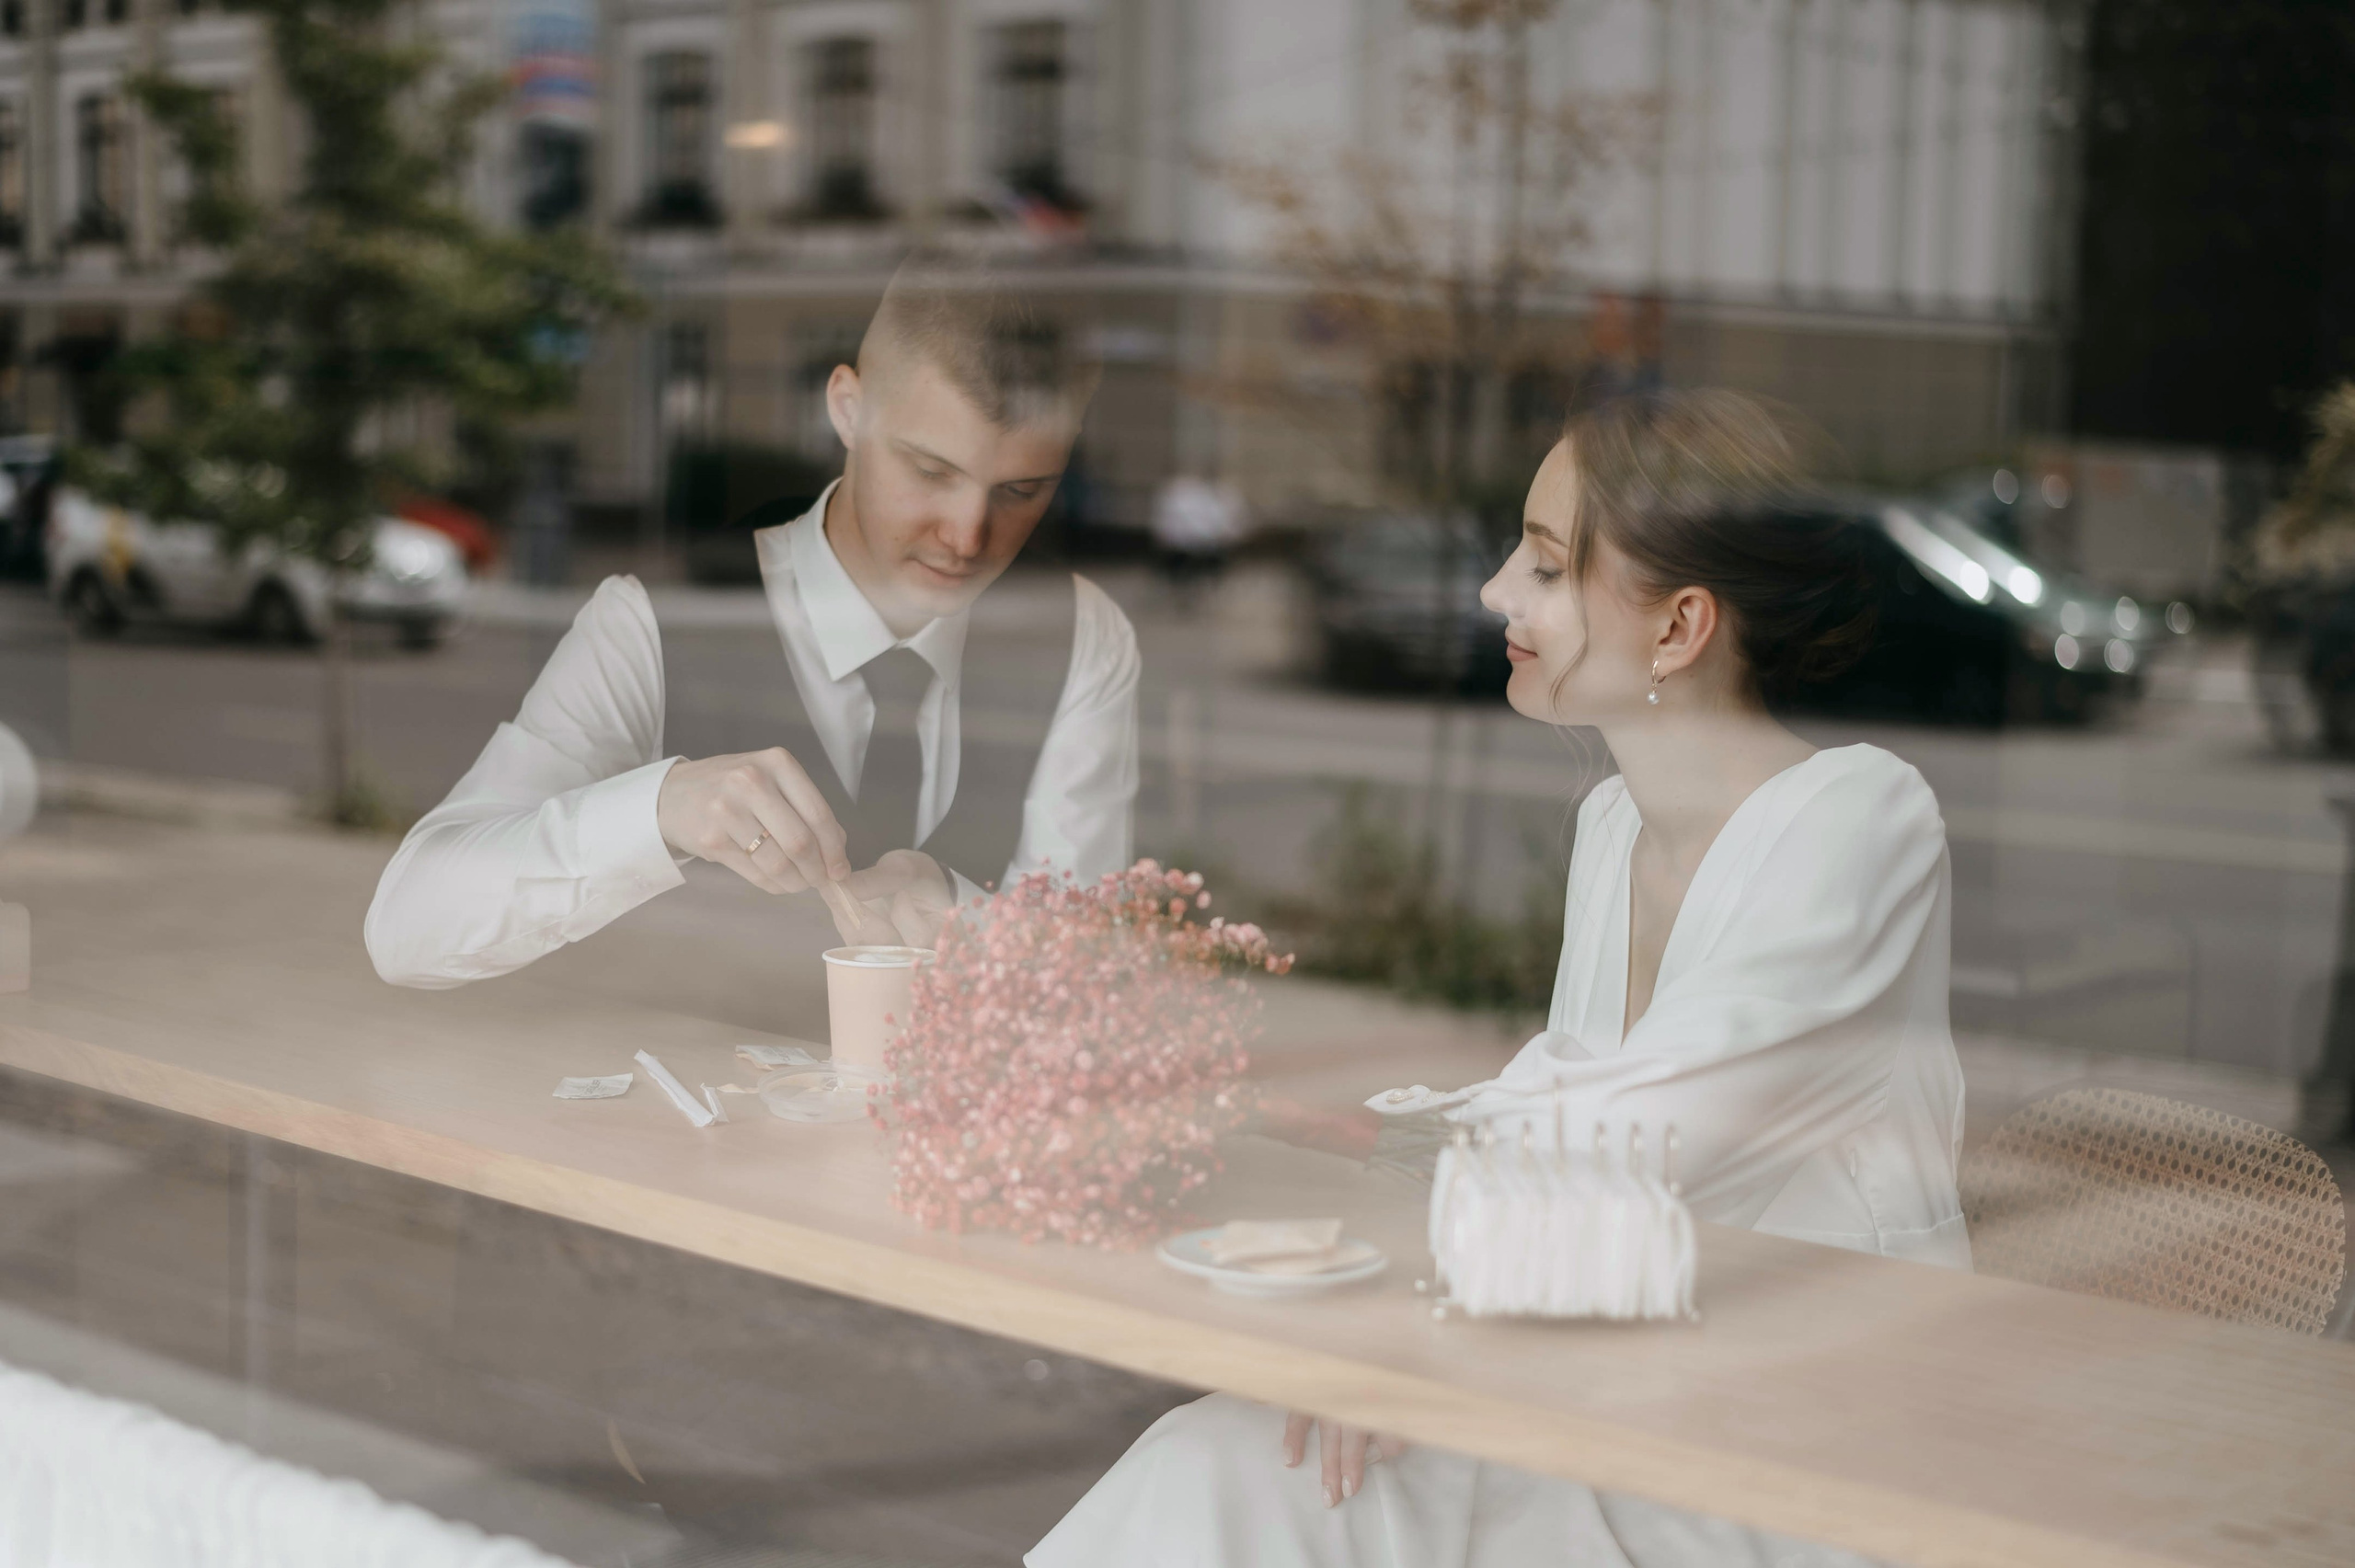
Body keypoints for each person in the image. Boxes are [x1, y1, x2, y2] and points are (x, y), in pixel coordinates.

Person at [1028, 389, 1969, 1567]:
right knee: (1219, 1462)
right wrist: (1313, 1127)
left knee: (1254, 1475)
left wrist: (1400, 1318)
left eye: (1541, 564)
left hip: (1799, 1455)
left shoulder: (1861, 819)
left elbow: (1650, 1139)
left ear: (1678, 627)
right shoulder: (1616, 825)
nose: (1493, 594)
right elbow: (1570, 1136)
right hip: (1612, 1387)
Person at [364, 255, 1140, 987]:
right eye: (931, 472)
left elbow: (1096, 978)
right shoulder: (654, 626)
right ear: (848, 409)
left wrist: (968, 913)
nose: (968, 537)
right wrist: (658, 810)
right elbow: (407, 929)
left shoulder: (1086, 638)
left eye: (1022, 489)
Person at [1150, 465, 1247, 612]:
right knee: (1184, 569)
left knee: (1195, 569)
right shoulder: (1184, 496)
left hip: (1199, 544)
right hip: (1187, 544)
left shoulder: (1216, 496)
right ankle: (1186, 589)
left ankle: (1191, 589)